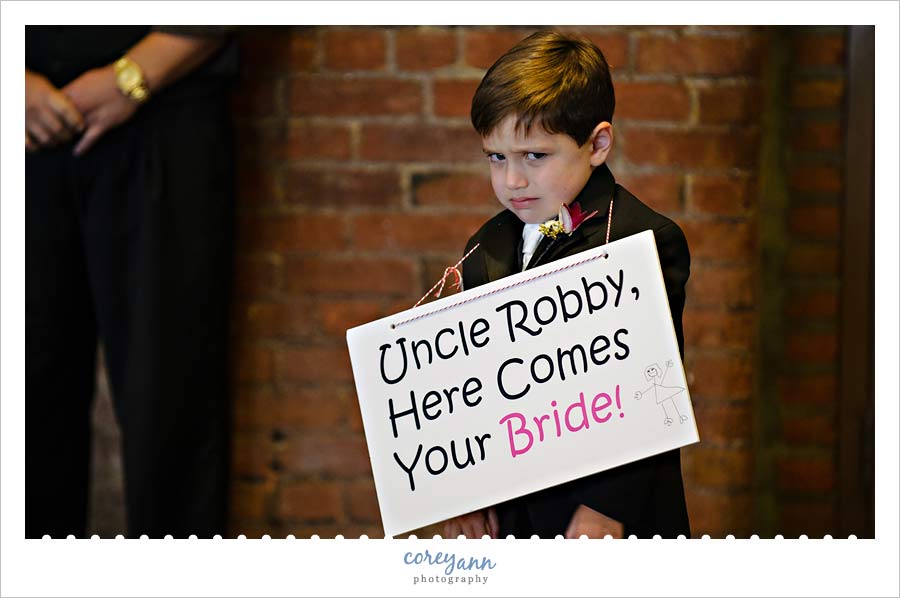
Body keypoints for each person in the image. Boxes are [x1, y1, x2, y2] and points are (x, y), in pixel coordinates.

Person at [443, 30, 691, 539]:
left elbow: (649, 386)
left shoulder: (643, 239)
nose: (512, 180)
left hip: (605, 522)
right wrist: (462, 496)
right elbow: (472, 390)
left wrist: (605, 509)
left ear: (597, 144)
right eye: (496, 157)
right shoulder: (484, 245)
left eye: (535, 156)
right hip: (508, 524)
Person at [25, 26, 237, 538]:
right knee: (25, 397)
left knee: (171, 392)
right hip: (21, 118)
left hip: (169, 107)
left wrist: (133, 78)